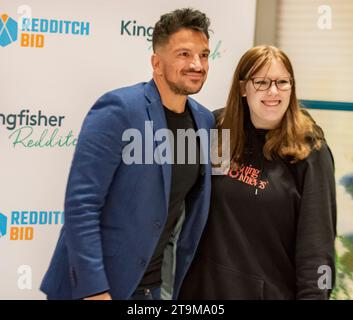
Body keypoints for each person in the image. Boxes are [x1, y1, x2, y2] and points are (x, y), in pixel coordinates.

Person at [40, 8, 214, 300]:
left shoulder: (206, 122)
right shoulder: (119, 109)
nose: (197, 64)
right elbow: (81, 206)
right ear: (157, 63)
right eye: (184, 54)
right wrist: (94, 290)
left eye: (205, 55)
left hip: (152, 288)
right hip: (96, 289)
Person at [178, 45, 337, 300]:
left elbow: (317, 247)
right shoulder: (218, 131)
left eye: (282, 82)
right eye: (261, 82)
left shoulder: (309, 150)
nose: (273, 91)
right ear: (243, 88)